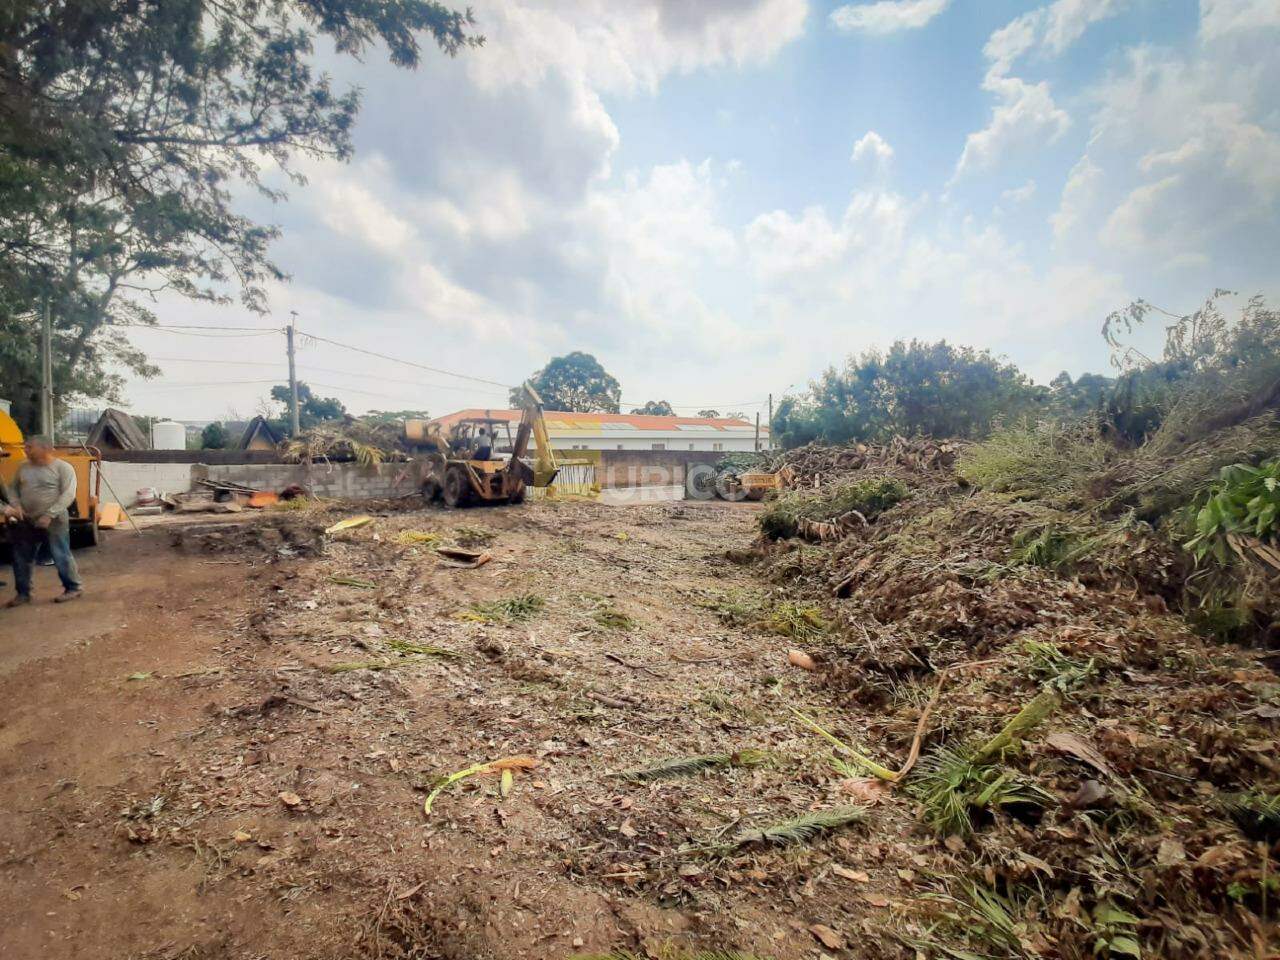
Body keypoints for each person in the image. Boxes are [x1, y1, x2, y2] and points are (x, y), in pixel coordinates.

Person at [3, 435, 83, 606]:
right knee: (21, 557)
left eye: (29, 447)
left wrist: (49, 514)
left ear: (44, 448)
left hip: (54, 520)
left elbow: (68, 494)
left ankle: (73, 588)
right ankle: (23, 593)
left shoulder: (63, 468)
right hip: (26, 520)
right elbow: (13, 490)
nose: (25, 450)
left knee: (60, 554)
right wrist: (16, 505)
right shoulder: (23, 467)